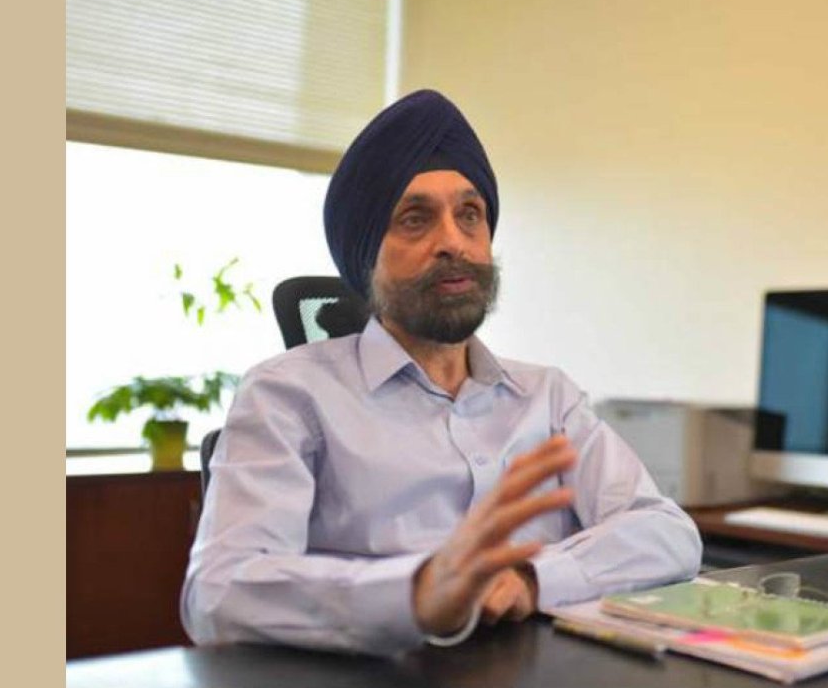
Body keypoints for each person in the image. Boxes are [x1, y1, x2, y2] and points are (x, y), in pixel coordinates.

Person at [181, 89, 702, 657]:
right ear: (367, 256)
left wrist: (530, 578)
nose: (453, 241)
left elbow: (665, 531)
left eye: (470, 215)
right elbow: (218, 592)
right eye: (415, 218)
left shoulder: (548, 397)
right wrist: (418, 591)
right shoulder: (289, 394)